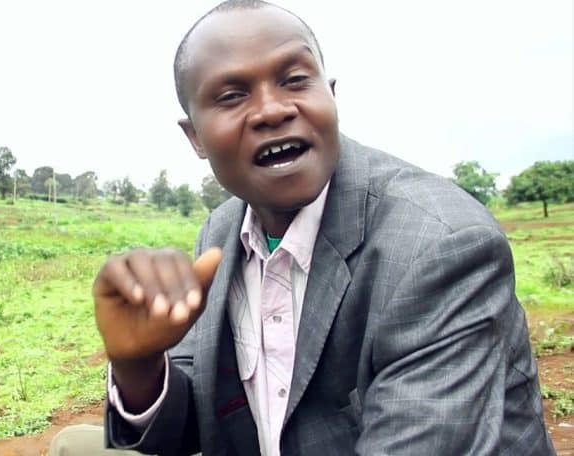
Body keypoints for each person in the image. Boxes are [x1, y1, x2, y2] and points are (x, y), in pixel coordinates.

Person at [50, 0, 553, 454]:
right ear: (196, 137)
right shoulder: (222, 233)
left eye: (294, 80)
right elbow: (195, 424)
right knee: (76, 446)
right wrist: (139, 367)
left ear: (329, 96)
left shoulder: (441, 246)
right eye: (232, 96)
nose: (272, 110)